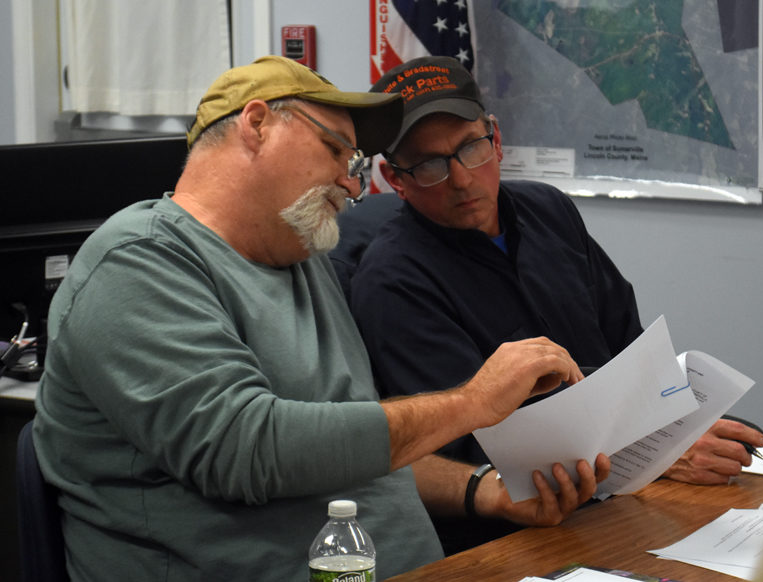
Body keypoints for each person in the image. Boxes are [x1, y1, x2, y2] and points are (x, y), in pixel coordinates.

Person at [33, 56, 609, 581]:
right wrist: (471, 403)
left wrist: (482, 491)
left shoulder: (304, 261)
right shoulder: (136, 263)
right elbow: (245, 451)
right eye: (337, 150)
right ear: (256, 124)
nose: (353, 183)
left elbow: (352, 452)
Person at [344, 55, 763, 554]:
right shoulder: (391, 279)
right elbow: (478, 437)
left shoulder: (548, 210)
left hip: (627, 498)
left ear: (497, 140)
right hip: (514, 532)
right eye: (430, 165)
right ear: (396, 179)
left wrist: (677, 427)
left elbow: (628, 350)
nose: (461, 179)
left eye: (471, 148)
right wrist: (655, 446)